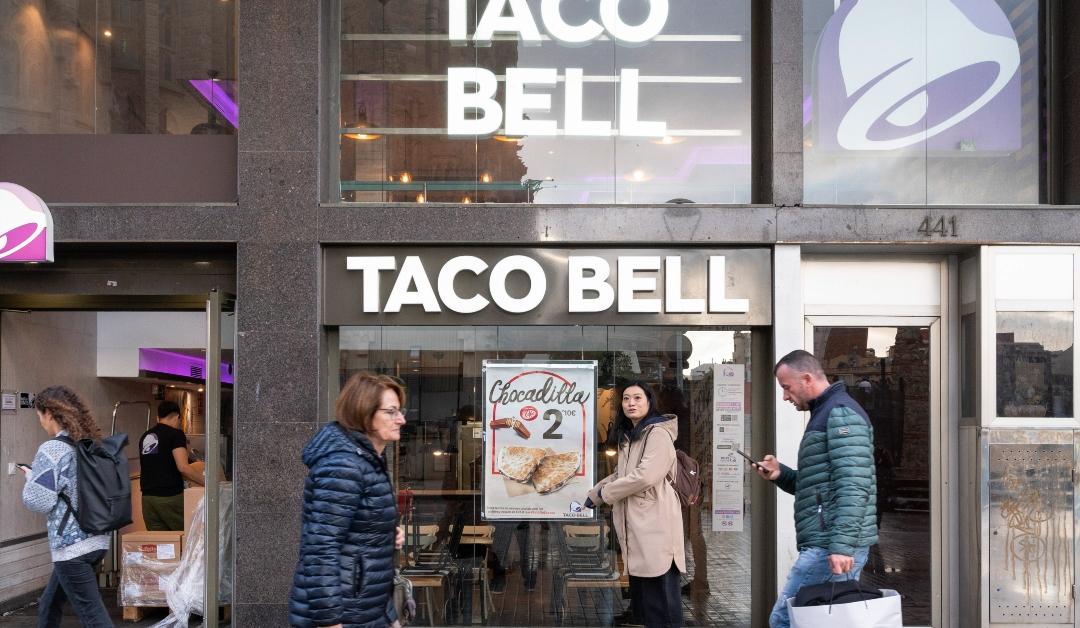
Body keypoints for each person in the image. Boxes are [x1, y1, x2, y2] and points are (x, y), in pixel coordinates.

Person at [755, 350, 878, 628]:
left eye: (786, 388)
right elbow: (819, 487)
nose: (785, 396)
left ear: (807, 378)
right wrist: (780, 474)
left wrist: (841, 547)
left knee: (785, 620)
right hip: (830, 541)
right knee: (820, 622)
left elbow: (854, 486)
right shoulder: (825, 413)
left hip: (831, 545)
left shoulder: (840, 414)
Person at [289, 371, 407, 628]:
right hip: (342, 612)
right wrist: (330, 622)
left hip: (367, 606)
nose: (401, 419)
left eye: (399, 411)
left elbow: (356, 532)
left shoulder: (368, 459)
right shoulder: (343, 465)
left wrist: (386, 532)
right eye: (391, 411)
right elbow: (321, 550)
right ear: (364, 413)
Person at [585, 382, 685, 628]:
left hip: (656, 527)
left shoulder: (658, 434)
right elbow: (622, 474)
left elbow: (645, 476)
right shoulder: (632, 437)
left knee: (662, 604)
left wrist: (605, 493)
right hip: (640, 530)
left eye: (638, 398)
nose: (631, 403)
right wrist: (594, 493)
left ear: (649, 402)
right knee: (647, 606)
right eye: (627, 398)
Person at [20, 386, 112, 627]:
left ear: (49, 413)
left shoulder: (53, 449)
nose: (40, 422)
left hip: (72, 548)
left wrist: (32, 479)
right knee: (49, 604)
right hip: (97, 539)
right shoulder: (89, 444)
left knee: (94, 616)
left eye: (39, 416)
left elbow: (40, 500)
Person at [138, 400, 204, 531]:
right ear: (177, 417)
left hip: (148, 499)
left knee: (161, 546)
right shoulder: (176, 434)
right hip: (169, 497)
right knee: (189, 536)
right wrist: (206, 482)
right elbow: (183, 467)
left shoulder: (146, 436)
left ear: (158, 417)